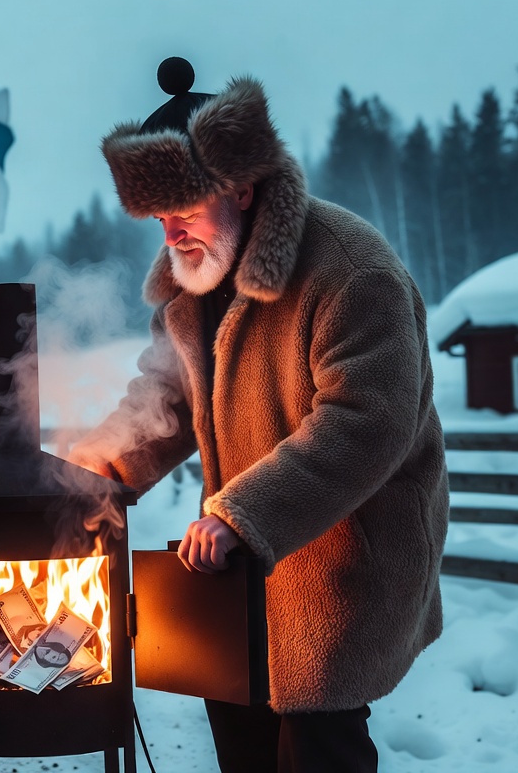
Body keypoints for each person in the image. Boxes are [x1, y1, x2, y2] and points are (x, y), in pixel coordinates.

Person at [69, 58, 449, 772]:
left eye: (182, 211)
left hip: (343, 564)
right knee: (240, 738)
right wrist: (93, 473)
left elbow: (367, 423)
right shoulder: (194, 281)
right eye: (158, 218)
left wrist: (241, 513)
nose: (170, 234)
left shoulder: (349, 270)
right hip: (238, 561)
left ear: (242, 189)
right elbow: (166, 400)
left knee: (316, 746)